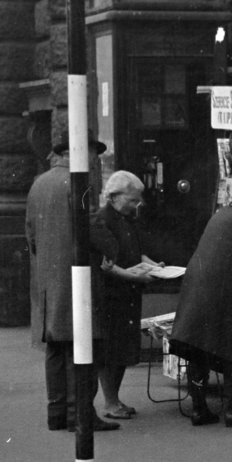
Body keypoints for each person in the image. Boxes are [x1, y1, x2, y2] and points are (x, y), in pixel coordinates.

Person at [25, 133, 117, 434]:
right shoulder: (77, 183)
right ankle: (81, 414)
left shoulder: (39, 183)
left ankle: (57, 412)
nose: (94, 158)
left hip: (49, 279)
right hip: (75, 277)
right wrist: (112, 249)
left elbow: (31, 233)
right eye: (92, 152)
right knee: (84, 346)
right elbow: (90, 224)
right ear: (74, 151)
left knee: (56, 347)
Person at [168, 178, 232, 428]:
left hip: (198, 282)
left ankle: (199, 409)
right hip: (227, 285)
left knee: (198, 345)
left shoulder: (225, 212)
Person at [90, 170, 161, 420]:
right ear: (114, 196)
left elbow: (135, 252)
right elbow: (106, 263)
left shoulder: (126, 218)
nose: (136, 204)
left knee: (121, 349)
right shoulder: (101, 220)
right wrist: (136, 276)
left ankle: (114, 399)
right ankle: (110, 402)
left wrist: (153, 265)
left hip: (127, 292)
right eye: (132, 199)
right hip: (112, 294)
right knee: (111, 350)